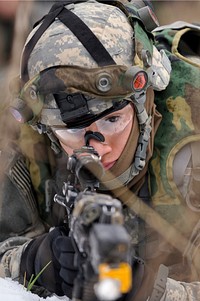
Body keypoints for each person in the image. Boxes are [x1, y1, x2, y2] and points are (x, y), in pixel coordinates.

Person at [0, 0, 200, 300]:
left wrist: (151, 289)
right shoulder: (23, 139)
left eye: (112, 120)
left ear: (144, 100)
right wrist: (33, 261)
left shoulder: (192, 123)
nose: (96, 147)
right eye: (72, 130)